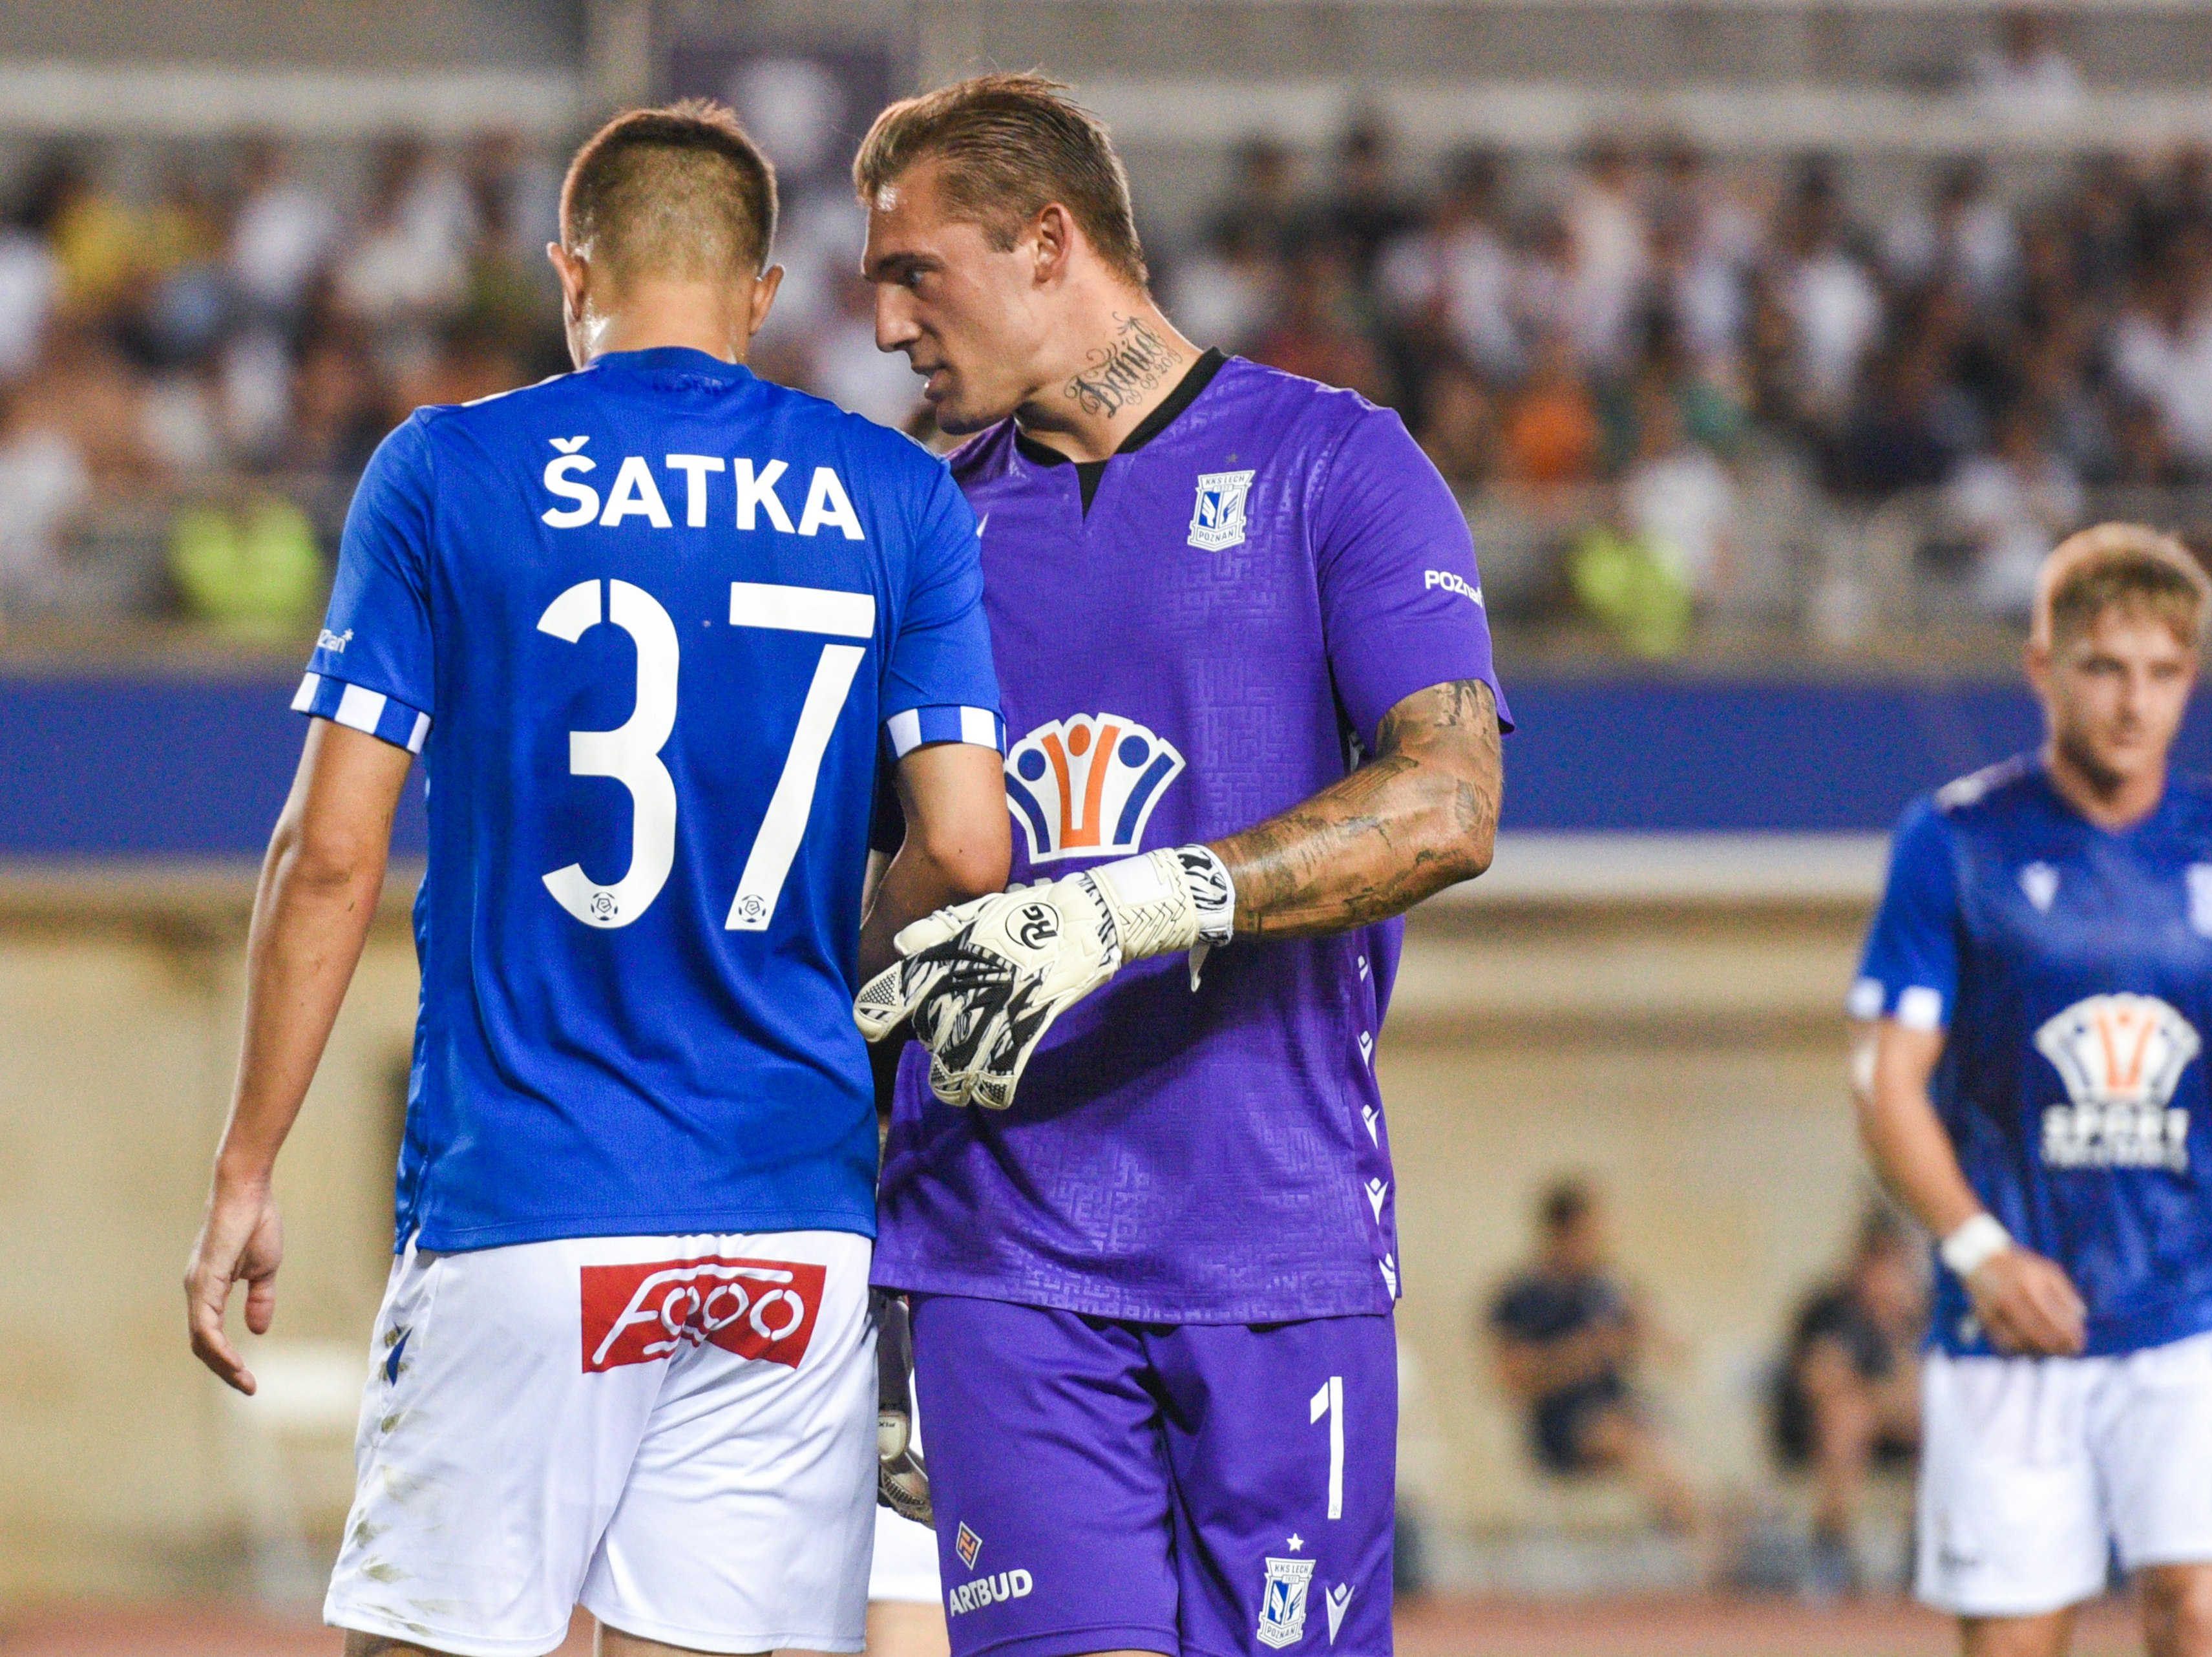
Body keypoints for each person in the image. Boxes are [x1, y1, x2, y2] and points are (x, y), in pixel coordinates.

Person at [180, 101, 1012, 1657]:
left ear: (573, 270)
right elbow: (969, 846)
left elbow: (330, 851)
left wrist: (247, 1166)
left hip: (534, 1193)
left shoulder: (446, 471)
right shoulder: (900, 499)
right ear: (761, 294)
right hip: (789, 1213)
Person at [850, 73, 1507, 1657]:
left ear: (1044, 241)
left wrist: (1134, 904)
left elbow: (1448, 800)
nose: (883, 326)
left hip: (1274, 1247)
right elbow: (876, 922)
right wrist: (868, 1292)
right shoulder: (924, 537)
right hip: (998, 1253)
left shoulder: (1333, 465)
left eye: (911, 271)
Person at [1850, 523, 2212, 1657]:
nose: (2134, 701)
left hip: (2195, 1303)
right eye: (2105, 667)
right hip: (2012, 1316)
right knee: (2021, 1639)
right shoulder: (1956, 842)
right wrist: (1978, 1249)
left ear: (2191, 679)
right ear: (2043, 666)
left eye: (2163, 672)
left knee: (2200, 1609)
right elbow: (1887, 1081)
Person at [1489, 1179, 1701, 1534]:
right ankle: (1692, 1537)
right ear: (1563, 1233)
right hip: (1562, 1424)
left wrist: (1647, 1325)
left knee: (1661, 1441)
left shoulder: (1606, 1288)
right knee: (1635, 1442)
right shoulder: (1523, 1297)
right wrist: (1586, 1352)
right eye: (1591, 1233)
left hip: (1621, 1414)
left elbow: (1674, 1350)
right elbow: (1510, 1377)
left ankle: (1690, 1528)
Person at [1771, 1210, 1926, 1590]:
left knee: (1937, 1420)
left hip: (1890, 1429)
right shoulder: (1829, 1309)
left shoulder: (1914, 1317)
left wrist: (1898, 1329)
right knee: (1848, 1420)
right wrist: (1880, 1401)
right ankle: (1831, 1547)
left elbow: (1923, 1387)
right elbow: (1823, 1382)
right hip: (1815, 1433)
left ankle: (1923, 1548)